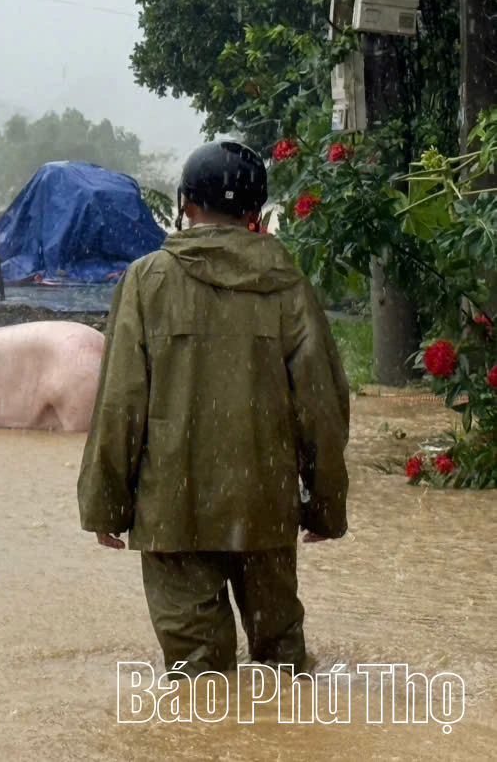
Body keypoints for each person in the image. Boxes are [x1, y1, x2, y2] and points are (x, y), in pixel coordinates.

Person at [77, 139, 350, 677]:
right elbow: (321, 404)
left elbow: (120, 403)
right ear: (256, 212)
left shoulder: (147, 281)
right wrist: (325, 504)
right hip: (264, 506)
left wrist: (106, 506)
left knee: (198, 681)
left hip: (174, 512)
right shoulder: (287, 285)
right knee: (284, 668)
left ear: (185, 204)